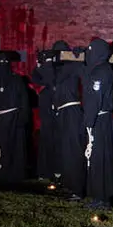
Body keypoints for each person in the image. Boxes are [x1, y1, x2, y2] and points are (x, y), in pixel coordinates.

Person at [83, 38, 113, 208]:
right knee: (100, 157)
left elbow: (95, 99)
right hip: (102, 119)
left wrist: (89, 120)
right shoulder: (102, 69)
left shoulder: (100, 72)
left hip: (100, 120)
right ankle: (100, 195)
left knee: (101, 157)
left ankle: (102, 197)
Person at [51, 41, 87, 200]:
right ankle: (69, 184)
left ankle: (77, 189)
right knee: (65, 150)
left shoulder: (71, 66)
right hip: (62, 112)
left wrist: (81, 55)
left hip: (72, 111)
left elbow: (85, 70)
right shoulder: (58, 70)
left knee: (74, 150)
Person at [0, 55, 29, 184]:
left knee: (14, 147)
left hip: (14, 119)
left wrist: (22, 118)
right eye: (1, 61)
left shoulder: (17, 80)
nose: (3, 64)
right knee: (0, 145)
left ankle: (14, 175)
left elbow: (24, 100)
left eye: (5, 61)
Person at [31, 41, 67, 182]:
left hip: (59, 105)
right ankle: (47, 170)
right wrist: (41, 65)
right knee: (47, 138)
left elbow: (53, 80)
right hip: (48, 106)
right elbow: (38, 78)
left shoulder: (64, 69)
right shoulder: (51, 68)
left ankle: (58, 169)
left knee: (59, 139)